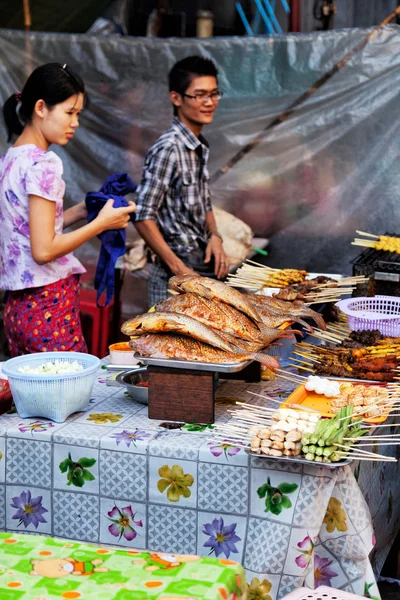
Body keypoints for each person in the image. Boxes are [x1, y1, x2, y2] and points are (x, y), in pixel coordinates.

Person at [0, 62, 136, 356]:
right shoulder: (44, 163)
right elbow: (44, 250)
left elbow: (31, 227)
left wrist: (85, 210)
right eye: (70, 112)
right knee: (72, 395)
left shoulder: (11, 159)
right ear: (40, 108)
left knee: (31, 398)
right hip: (48, 307)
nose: (75, 123)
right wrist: (101, 224)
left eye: (78, 114)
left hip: (16, 310)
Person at [134, 55, 229, 306]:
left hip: (200, 266)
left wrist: (215, 236)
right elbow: (142, 214)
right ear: (176, 98)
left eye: (214, 93)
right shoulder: (169, 148)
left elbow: (204, 202)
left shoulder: (198, 145)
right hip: (173, 278)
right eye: (199, 95)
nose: (209, 102)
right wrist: (179, 269)